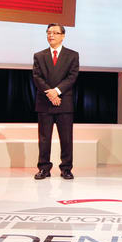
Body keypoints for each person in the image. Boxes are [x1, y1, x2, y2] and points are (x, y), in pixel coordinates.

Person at [32, 23, 79, 180]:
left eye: (55, 33)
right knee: (44, 138)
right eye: (49, 32)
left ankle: (66, 168)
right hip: (45, 102)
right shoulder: (39, 55)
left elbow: (72, 77)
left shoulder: (72, 55)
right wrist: (51, 94)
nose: (51, 35)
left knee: (66, 138)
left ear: (63, 36)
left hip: (63, 102)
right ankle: (44, 168)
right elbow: (37, 77)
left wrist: (57, 92)